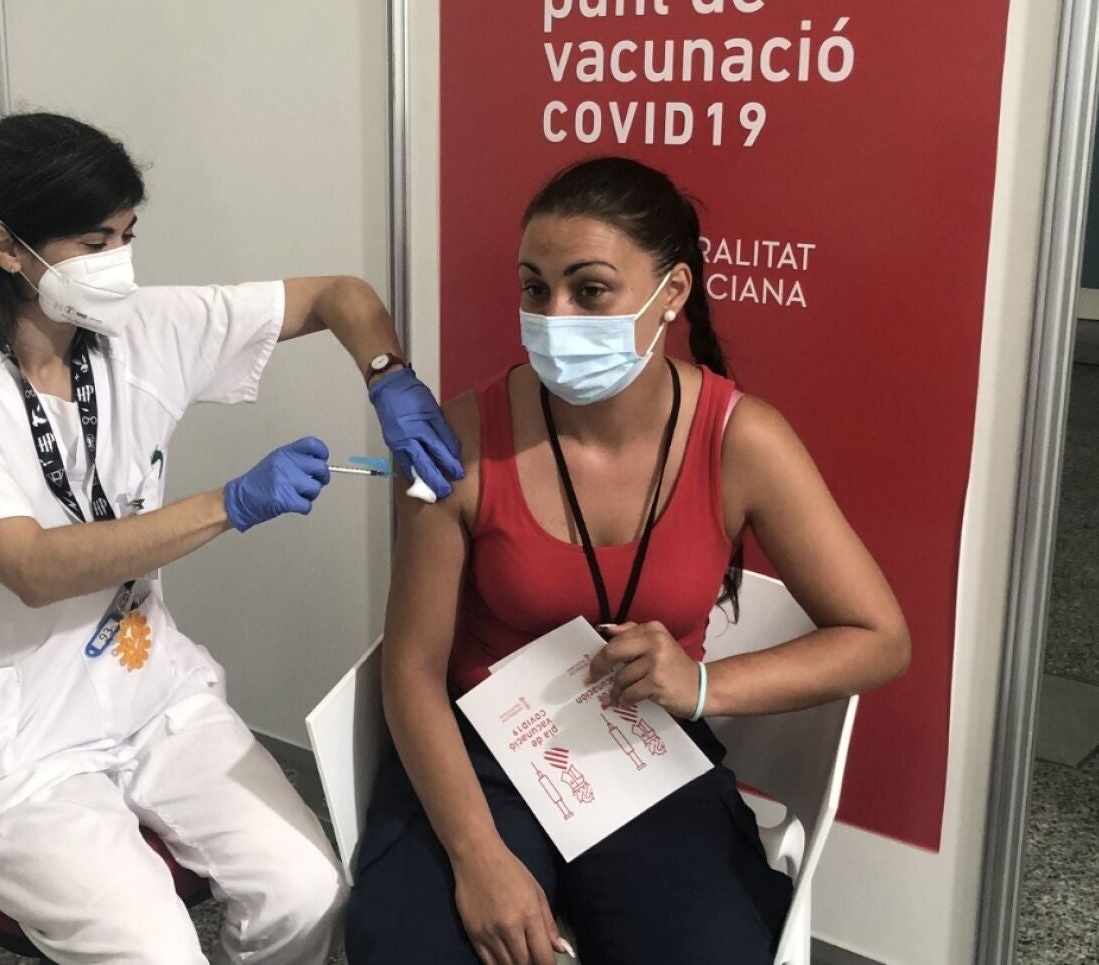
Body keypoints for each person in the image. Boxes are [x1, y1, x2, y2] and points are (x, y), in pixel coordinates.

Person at [0, 112, 461, 964]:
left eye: (127, 235)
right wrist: (230, 502)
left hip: (148, 690)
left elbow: (341, 295)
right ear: (3, 246)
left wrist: (388, 378)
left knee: (309, 891)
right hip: (11, 733)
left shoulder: (138, 326)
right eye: (94, 242)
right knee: (158, 951)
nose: (119, 263)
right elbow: (32, 569)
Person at [345, 157, 911, 965]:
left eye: (590, 289)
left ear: (671, 292)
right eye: (535, 288)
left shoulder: (741, 440)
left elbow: (879, 637)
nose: (554, 315)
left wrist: (704, 686)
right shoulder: (459, 441)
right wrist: (478, 858)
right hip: (482, 753)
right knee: (420, 948)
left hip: (642, 750)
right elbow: (411, 669)